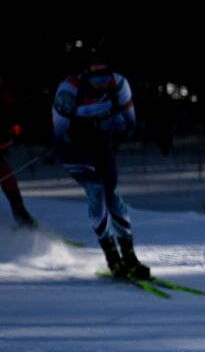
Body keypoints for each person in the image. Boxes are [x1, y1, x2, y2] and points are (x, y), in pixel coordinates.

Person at [52, 49, 148, 279]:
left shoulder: (119, 85)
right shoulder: (68, 91)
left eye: (105, 76)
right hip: (73, 148)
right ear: (86, 73)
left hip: (100, 143)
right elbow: (59, 134)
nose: (101, 83)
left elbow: (130, 124)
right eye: (95, 77)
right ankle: (112, 257)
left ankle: (130, 256)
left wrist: (118, 124)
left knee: (113, 194)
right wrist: (89, 126)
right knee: (96, 190)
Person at [0, 73, 36, 227]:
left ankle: (21, 216)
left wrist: (14, 130)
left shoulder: (4, 94)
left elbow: (13, 118)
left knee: (7, 177)